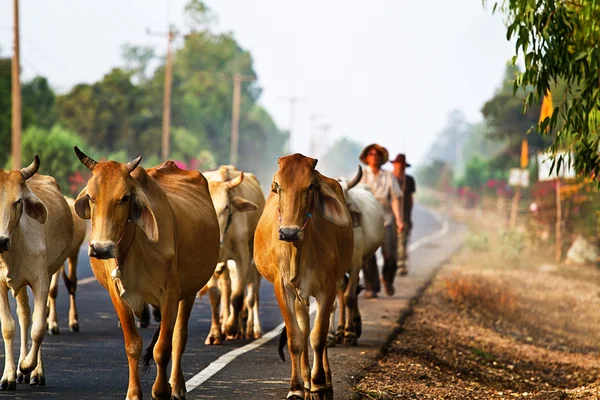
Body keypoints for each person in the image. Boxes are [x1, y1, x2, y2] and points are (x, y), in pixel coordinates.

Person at [358, 144, 404, 298]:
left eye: (377, 154)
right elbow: (355, 198)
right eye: (371, 154)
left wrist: (399, 220)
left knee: (390, 256)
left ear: (381, 158)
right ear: (367, 157)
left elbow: (396, 199)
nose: (374, 156)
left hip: (386, 219)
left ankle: (388, 279)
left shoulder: (389, 177)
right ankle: (372, 287)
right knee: (367, 256)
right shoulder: (362, 175)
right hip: (367, 220)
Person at [391, 154, 416, 276]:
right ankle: (392, 264)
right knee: (391, 242)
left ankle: (401, 264)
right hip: (389, 216)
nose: (400, 166)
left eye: (402, 164)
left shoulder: (409, 180)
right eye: (398, 163)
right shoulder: (389, 179)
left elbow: (411, 199)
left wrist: (408, 217)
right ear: (394, 164)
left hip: (404, 215)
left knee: (402, 240)